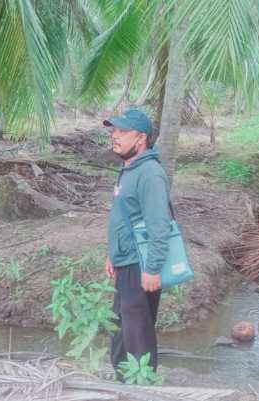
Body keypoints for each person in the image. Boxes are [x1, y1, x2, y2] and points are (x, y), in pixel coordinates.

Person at [103, 109, 171, 380]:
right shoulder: (130, 167)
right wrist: (112, 254)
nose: (114, 136)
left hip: (140, 265)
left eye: (122, 131)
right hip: (125, 261)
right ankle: (124, 382)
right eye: (113, 130)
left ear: (140, 138)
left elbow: (159, 225)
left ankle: (142, 386)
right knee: (121, 327)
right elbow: (124, 217)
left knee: (137, 331)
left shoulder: (150, 174)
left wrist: (153, 268)